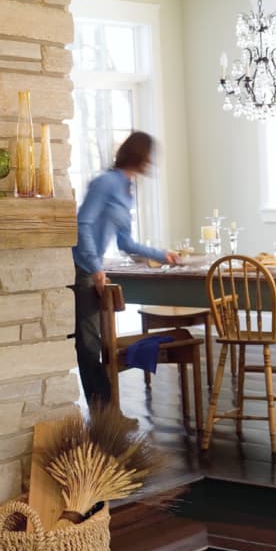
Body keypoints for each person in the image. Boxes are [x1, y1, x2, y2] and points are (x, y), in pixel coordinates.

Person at [71, 131, 178, 413]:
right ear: (140, 156)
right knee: (90, 345)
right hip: (79, 268)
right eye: (150, 156)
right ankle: (104, 418)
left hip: (90, 268)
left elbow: (126, 243)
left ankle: (108, 415)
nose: (152, 162)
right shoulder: (106, 183)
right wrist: (96, 269)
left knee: (95, 343)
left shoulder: (125, 189)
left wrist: (162, 255)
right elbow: (83, 225)